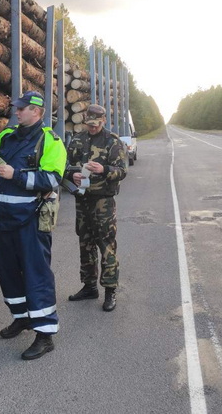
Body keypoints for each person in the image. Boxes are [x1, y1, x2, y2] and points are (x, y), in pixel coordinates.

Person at [0, 91, 66, 360]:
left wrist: (15, 175)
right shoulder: (8, 136)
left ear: (37, 112)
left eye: (22, 109)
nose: (16, 112)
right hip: (6, 221)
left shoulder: (50, 141)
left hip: (32, 222)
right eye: (16, 108)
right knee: (7, 273)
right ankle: (22, 318)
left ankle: (45, 334)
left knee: (36, 275)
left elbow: (51, 179)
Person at [64, 104, 128, 312]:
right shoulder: (77, 140)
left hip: (103, 201)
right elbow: (65, 165)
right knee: (85, 244)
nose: (92, 128)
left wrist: (104, 169)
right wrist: (70, 174)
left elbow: (122, 171)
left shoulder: (113, 142)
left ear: (103, 122)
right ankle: (89, 286)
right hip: (82, 200)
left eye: (95, 125)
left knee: (106, 245)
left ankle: (110, 290)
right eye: (89, 124)